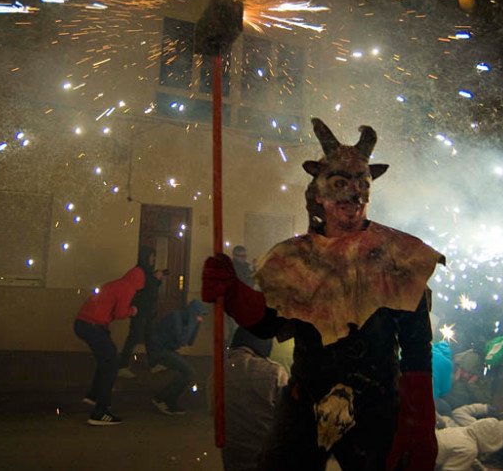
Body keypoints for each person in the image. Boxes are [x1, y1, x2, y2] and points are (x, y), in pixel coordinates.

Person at [203, 118, 446, 471]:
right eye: (340, 182)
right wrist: (233, 292)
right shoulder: (295, 258)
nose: (354, 194)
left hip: (377, 407)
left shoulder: (397, 255)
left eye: (362, 183)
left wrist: (418, 419)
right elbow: (269, 322)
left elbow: (416, 344)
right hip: (306, 402)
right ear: (319, 192)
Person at [74, 262, 145, 426]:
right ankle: (100, 411)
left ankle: (93, 395)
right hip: (93, 326)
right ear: (140, 281)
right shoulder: (128, 288)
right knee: (112, 363)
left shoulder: (116, 284)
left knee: (106, 359)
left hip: (84, 323)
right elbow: (120, 313)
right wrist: (132, 311)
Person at [210, 327, 290, 471]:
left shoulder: (216, 375)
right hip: (268, 460)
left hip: (232, 460)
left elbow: (214, 414)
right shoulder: (275, 372)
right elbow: (288, 419)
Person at [149, 299, 206, 415]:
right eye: (198, 315)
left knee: (187, 371)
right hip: (159, 350)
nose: (200, 319)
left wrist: (195, 324)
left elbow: (190, 342)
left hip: (165, 349)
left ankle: (166, 399)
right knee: (188, 371)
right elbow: (182, 340)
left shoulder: (183, 318)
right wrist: (193, 323)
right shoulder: (176, 317)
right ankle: (162, 399)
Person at [117, 245, 164, 378]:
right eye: (152, 256)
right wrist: (156, 279)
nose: (154, 259)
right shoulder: (139, 272)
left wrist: (157, 280)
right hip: (139, 310)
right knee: (134, 337)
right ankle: (122, 365)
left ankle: (153, 364)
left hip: (146, 310)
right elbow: (146, 290)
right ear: (146, 257)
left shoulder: (146, 271)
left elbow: (151, 288)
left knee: (149, 336)